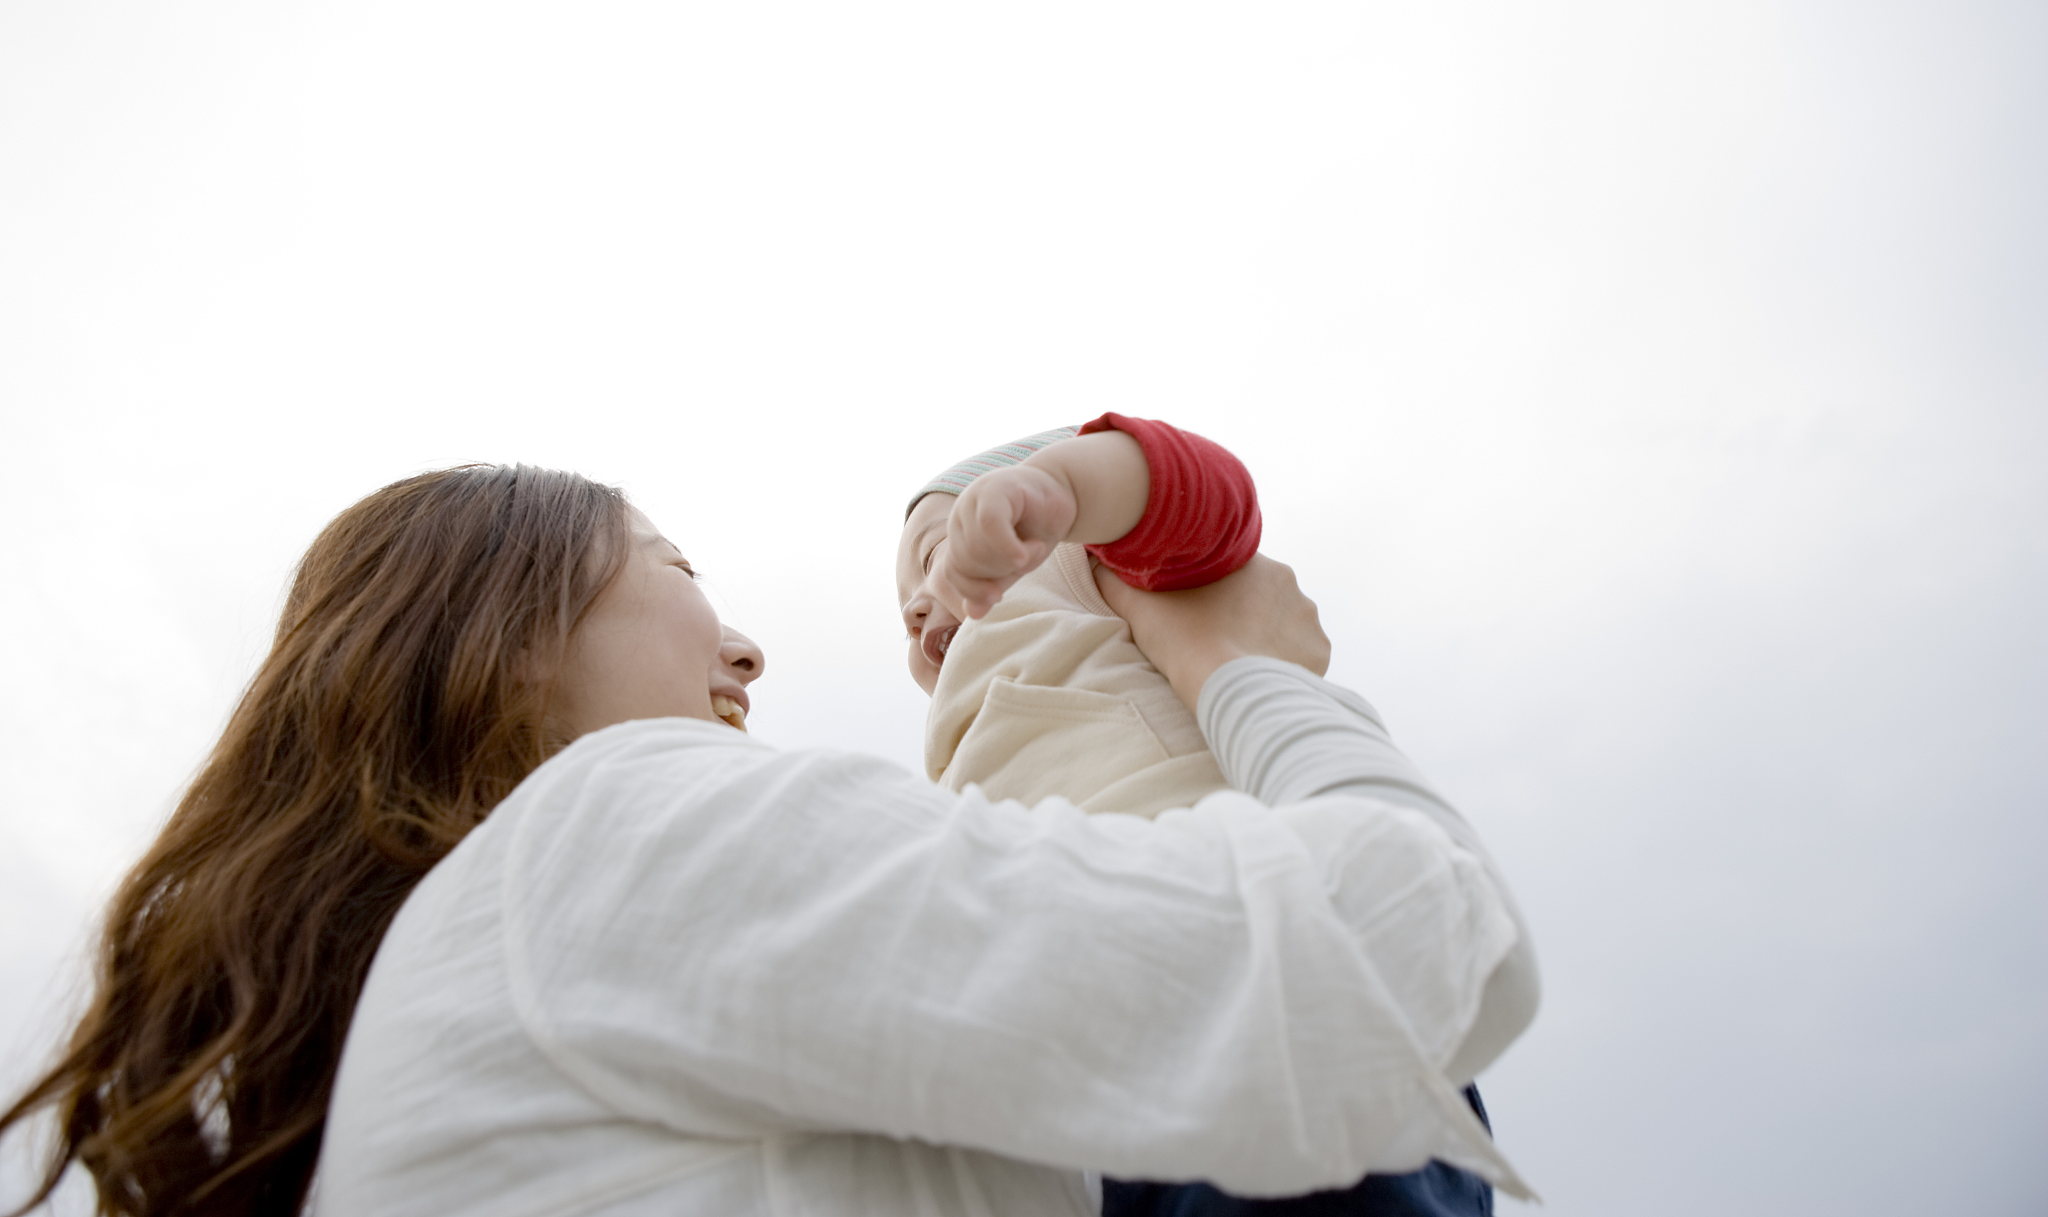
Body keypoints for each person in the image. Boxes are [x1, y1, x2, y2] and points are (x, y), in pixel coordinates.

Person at [1, 463, 1533, 1217]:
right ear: (505, 638)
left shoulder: (486, 973)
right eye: (673, 569)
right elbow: (1403, 960)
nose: (744, 651)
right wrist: (1239, 671)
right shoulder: (605, 836)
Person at [897, 417, 1539, 1214]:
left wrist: (1062, 488)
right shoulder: (949, 749)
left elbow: (1202, 502)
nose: (920, 608)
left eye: (933, 554)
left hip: (1257, 941)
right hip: (1104, 1041)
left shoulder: (1070, 571)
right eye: (904, 611)